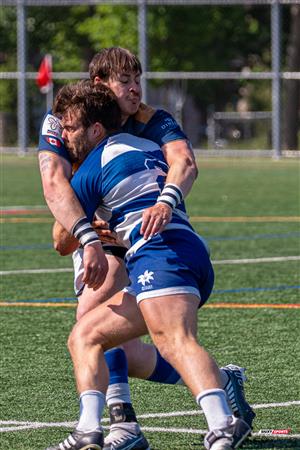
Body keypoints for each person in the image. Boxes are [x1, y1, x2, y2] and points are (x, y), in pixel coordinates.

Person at [41, 47, 255, 450]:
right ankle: (221, 382)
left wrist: (163, 202)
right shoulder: (68, 120)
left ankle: (138, 427)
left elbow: (184, 162)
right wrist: (92, 233)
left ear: (92, 129)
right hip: (151, 241)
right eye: (125, 80)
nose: (136, 88)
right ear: (100, 86)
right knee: (97, 337)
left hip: (158, 244)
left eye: (138, 78)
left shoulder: (146, 125)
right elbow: (53, 185)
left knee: (168, 337)